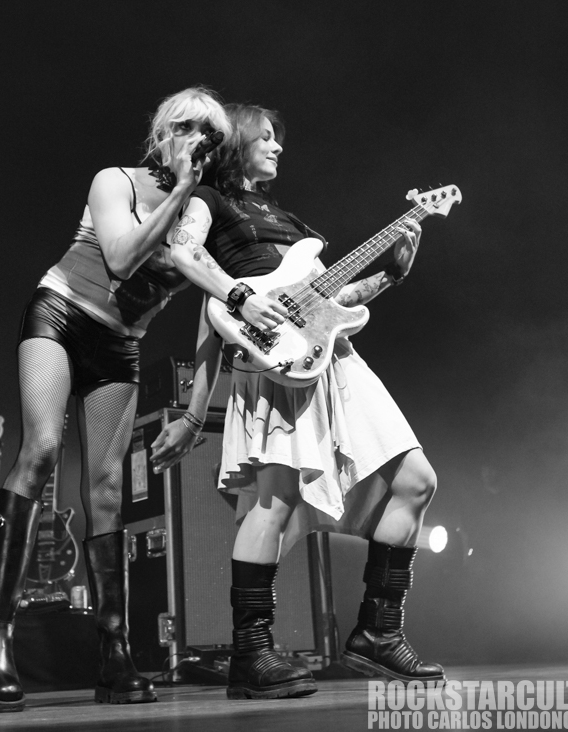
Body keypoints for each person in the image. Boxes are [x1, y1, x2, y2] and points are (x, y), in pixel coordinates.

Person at [0, 87, 288, 713]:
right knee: (40, 449)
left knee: (109, 488)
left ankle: (114, 649)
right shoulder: (114, 181)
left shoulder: (205, 211)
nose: (199, 139)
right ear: (164, 132)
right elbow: (119, 256)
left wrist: (197, 412)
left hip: (121, 343)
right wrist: (176, 194)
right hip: (61, 313)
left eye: (211, 133)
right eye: (188, 127)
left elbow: (216, 307)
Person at [149, 103, 444, 699]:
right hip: (273, 365)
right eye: (266, 137)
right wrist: (192, 408)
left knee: (416, 479)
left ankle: (377, 635)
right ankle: (250, 655)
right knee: (275, 500)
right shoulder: (209, 199)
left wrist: (391, 275)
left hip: (330, 358)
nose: (278, 146)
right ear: (236, 143)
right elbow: (191, 267)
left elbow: (334, 301)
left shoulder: (291, 220)